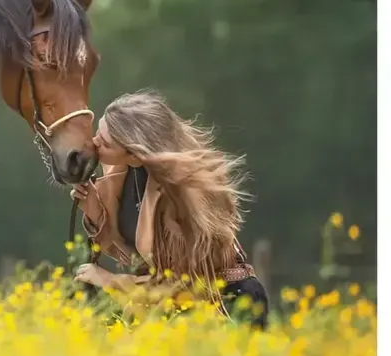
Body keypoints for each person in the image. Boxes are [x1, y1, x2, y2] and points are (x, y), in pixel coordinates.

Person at [68, 89, 269, 330]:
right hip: (179, 311)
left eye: (106, 143)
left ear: (135, 154)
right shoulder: (124, 173)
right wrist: (95, 210)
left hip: (225, 305)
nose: (95, 144)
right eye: (98, 134)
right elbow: (137, 257)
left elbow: (180, 285)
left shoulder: (181, 197)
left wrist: (110, 280)